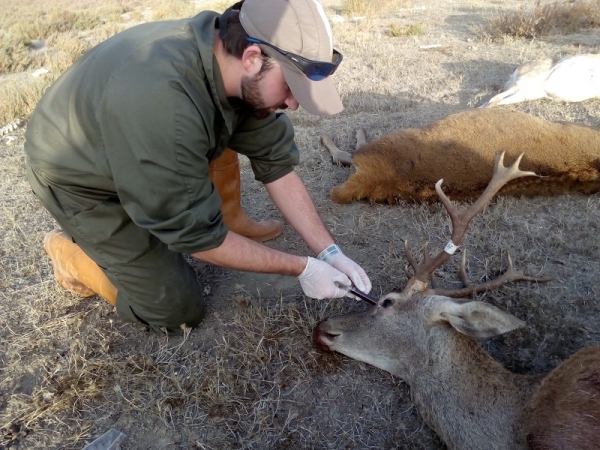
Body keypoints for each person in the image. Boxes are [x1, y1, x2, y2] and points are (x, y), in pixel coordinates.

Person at [24, 0, 372, 335]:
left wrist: (329, 251)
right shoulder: (164, 103)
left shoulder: (230, 57)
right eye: (290, 87)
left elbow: (277, 164)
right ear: (252, 57)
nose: (294, 103)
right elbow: (197, 239)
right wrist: (303, 268)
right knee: (175, 312)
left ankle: (222, 217)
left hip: (144, 149)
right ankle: (68, 252)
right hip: (83, 178)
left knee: (219, 130)